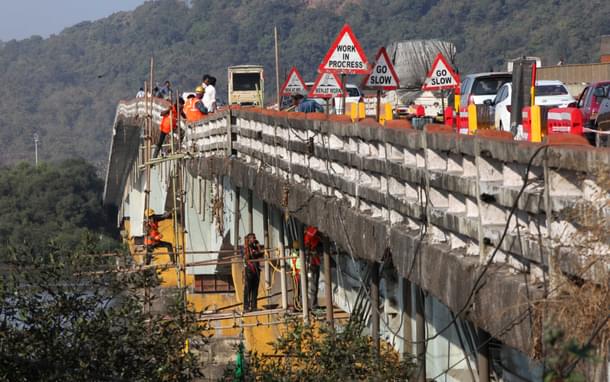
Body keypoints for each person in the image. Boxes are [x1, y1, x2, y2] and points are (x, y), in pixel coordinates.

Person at [243, 233, 263, 312]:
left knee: (255, 289)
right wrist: (248, 245)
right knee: (248, 289)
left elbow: (260, 254)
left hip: (256, 269)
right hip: (249, 270)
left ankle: (254, 306)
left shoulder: (255, 246)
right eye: (252, 238)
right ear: (249, 239)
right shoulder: (246, 247)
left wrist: (258, 246)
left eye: (254, 238)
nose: (254, 239)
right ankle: (246, 307)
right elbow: (248, 256)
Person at [304, 226, 321, 309]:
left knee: (313, 286)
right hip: (311, 265)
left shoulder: (309, 236)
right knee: (313, 286)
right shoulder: (309, 237)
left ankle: (312, 305)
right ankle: (312, 306)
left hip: (313, 264)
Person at [290, 240, 302, 307]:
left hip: (300, 272)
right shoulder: (294, 254)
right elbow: (293, 264)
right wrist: (294, 271)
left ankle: (299, 304)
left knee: (299, 289)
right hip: (297, 273)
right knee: (297, 290)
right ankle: (297, 304)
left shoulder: (299, 252)